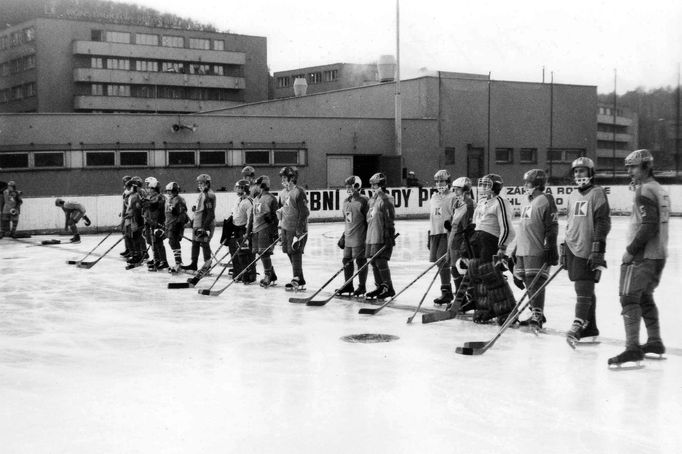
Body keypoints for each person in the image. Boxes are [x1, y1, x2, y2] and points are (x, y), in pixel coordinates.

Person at [608, 149, 670, 366]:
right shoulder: (659, 189)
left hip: (643, 256)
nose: (629, 171)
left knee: (628, 298)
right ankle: (654, 341)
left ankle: (632, 348)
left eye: (633, 167)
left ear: (646, 167)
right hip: (659, 255)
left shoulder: (644, 190)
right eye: (628, 167)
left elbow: (649, 225)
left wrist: (631, 250)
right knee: (645, 297)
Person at [564, 157, 611, 347]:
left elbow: (603, 222)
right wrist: (564, 246)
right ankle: (590, 328)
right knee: (583, 286)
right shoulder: (573, 195)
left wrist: (598, 248)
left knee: (584, 286)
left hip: (588, 248)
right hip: (572, 246)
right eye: (576, 171)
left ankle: (579, 322)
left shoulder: (598, 193)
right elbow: (570, 222)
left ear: (591, 173)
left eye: (582, 171)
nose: (578, 175)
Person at [512, 169, 559, 332]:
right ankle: (535, 311)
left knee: (535, 281)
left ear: (538, 184)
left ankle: (537, 315)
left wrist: (550, 245)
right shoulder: (526, 200)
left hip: (536, 247)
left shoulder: (546, 199)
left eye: (528, 183)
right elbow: (523, 225)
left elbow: (552, 225)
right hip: (523, 248)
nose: (525, 186)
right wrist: (516, 248)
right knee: (527, 281)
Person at [469, 174, 516, 323]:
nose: (482, 188)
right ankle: (485, 309)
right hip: (479, 241)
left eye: (486, 185)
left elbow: (507, 228)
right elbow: (475, 224)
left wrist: (502, 247)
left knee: (491, 276)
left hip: (491, 241)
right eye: (481, 185)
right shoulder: (481, 202)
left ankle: (507, 311)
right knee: (477, 274)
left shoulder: (501, 202)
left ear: (495, 187)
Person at [336, 175, 370, 297]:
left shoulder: (364, 201)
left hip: (360, 237)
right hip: (349, 237)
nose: (348, 189)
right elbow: (347, 221)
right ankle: (348, 285)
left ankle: (362, 287)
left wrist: (368, 238)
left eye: (350, 186)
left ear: (357, 186)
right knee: (346, 260)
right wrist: (343, 235)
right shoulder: (346, 201)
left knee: (360, 261)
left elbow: (368, 221)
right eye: (347, 187)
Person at [365, 172, 397, 300]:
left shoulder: (386, 198)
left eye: (375, 185)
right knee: (373, 261)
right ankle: (379, 286)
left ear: (382, 185)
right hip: (371, 234)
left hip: (381, 234)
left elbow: (390, 217)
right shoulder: (372, 200)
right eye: (371, 185)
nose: (373, 187)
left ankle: (388, 287)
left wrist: (389, 233)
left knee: (380, 261)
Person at [428, 170, 458, 305]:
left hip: (447, 234)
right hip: (435, 233)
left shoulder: (453, 197)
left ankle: (449, 291)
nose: (439, 184)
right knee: (439, 262)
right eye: (437, 181)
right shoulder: (434, 197)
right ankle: (446, 291)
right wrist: (429, 235)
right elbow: (432, 217)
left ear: (448, 182)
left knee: (445, 261)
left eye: (442, 181)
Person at [278, 166, 310, 290]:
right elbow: (283, 209)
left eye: (285, 177)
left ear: (292, 178)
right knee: (288, 251)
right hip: (285, 227)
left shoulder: (299, 192)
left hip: (296, 229)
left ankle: (296, 277)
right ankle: (299, 278)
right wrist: (280, 227)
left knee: (295, 251)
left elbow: (304, 212)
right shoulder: (283, 193)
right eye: (282, 177)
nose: (283, 180)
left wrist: (299, 230)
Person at [445, 176, 475, 305]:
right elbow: (455, 221)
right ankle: (459, 296)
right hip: (453, 239)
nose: (455, 192)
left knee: (460, 269)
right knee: (453, 268)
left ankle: (469, 296)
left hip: (461, 241)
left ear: (464, 190)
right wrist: (450, 224)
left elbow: (467, 227)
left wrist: (464, 245)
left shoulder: (469, 204)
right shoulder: (458, 202)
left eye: (457, 189)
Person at [248, 175, 279, 287]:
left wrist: (274, 232)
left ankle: (267, 275)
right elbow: (252, 216)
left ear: (262, 185)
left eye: (257, 185)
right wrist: (249, 231)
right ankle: (272, 273)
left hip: (265, 229)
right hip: (256, 229)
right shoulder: (256, 199)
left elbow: (276, 217)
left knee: (264, 252)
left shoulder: (271, 199)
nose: (254, 187)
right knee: (258, 252)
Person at [182, 174, 216, 272]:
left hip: (204, 223)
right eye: (199, 183)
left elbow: (210, 213)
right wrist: (194, 218)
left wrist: (204, 227)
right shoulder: (202, 194)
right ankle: (193, 264)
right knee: (195, 243)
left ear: (207, 183)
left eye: (202, 183)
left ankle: (207, 265)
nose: (199, 185)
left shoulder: (209, 195)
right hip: (198, 223)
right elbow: (200, 208)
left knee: (204, 243)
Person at [229, 178, 256, 283]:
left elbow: (251, 218)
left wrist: (247, 232)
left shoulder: (249, 202)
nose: (237, 190)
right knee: (235, 253)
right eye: (237, 188)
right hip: (235, 229)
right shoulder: (237, 200)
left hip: (244, 230)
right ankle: (238, 273)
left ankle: (250, 275)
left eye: (240, 188)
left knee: (246, 253)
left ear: (245, 189)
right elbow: (233, 214)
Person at [141, 177, 169, 271]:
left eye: (151, 188)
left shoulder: (160, 197)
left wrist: (148, 203)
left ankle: (163, 261)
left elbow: (156, 205)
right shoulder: (150, 196)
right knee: (153, 242)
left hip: (158, 222)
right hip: (150, 222)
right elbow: (147, 209)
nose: (149, 190)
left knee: (158, 242)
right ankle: (157, 259)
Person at [164, 181, 188, 273]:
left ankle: (178, 262)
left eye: (169, 191)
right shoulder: (170, 199)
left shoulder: (178, 199)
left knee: (173, 242)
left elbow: (182, 214)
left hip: (175, 225)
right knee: (171, 242)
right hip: (169, 224)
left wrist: (178, 225)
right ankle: (178, 261)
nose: (168, 193)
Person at [122, 176, 146, 268]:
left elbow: (137, 209)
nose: (128, 189)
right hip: (133, 219)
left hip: (137, 219)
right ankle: (136, 254)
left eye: (130, 187)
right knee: (134, 237)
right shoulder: (131, 195)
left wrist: (131, 214)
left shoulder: (136, 196)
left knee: (136, 237)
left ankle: (139, 255)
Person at [119, 176, 133, 258]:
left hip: (131, 216)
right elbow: (125, 205)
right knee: (125, 232)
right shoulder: (125, 192)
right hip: (126, 215)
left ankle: (133, 250)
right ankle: (128, 249)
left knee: (130, 234)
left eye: (127, 181)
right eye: (124, 182)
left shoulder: (133, 192)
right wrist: (122, 213)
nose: (125, 183)